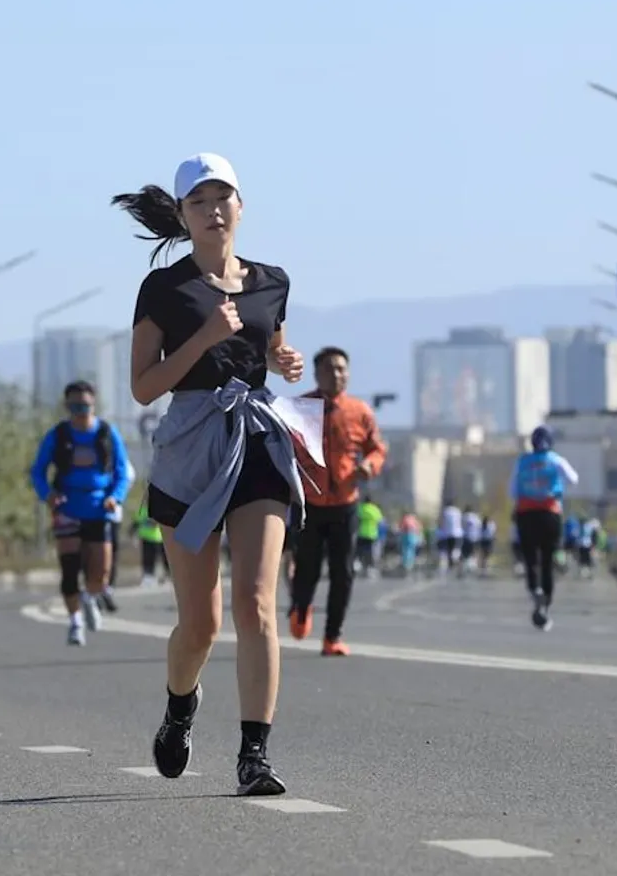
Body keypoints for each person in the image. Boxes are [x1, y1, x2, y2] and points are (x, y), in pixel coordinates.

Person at [114, 153, 309, 798]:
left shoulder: (272, 281)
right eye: (199, 201)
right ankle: (179, 705)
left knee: (256, 601)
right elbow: (143, 388)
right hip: (193, 442)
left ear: (241, 206)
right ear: (183, 215)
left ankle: (254, 754)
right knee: (201, 623)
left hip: (256, 439)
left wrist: (282, 360)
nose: (214, 209)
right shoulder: (164, 291)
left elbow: (269, 343)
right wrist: (200, 340)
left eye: (223, 197)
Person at [286, 346, 386, 657]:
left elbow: (377, 448)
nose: (337, 374)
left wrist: (370, 465)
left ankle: (333, 636)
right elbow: (282, 449)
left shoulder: (360, 412)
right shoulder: (301, 408)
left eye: (342, 369)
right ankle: (301, 608)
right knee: (307, 569)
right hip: (310, 504)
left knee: (343, 572)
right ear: (316, 374)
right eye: (329, 369)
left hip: (345, 502)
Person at [30, 379, 134, 646]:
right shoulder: (58, 435)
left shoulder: (107, 434)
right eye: (75, 406)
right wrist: (48, 495)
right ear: (67, 406)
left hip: (99, 509)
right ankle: (75, 621)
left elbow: (123, 471)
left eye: (85, 406)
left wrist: (115, 497)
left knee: (100, 572)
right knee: (69, 568)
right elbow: (38, 471)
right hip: (67, 508)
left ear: (93, 405)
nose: (80, 412)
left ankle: (91, 597)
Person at [510, 425, 580, 630]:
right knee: (548, 560)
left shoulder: (522, 462)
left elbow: (512, 490)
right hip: (550, 513)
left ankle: (535, 590)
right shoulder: (556, 460)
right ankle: (546, 603)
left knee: (530, 558)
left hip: (526, 514)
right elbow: (574, 479)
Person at [134, 496, 168, 584]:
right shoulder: (143, 509)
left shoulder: (158, 508)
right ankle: (148, 576)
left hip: (158, 538)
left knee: (164, 558)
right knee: (148, 558)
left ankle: (168, 575)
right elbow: (137, 521)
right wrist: (132, 530)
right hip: (145, 538)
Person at [355, 495, 384, 578]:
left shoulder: (360, 508)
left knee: (359, 551)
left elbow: (356, 519)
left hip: (361, 533)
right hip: (372, 534)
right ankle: (369, 567)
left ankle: (357, 565)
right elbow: (380, 521)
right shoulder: (375, 509)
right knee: (370, 552)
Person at [436, 501, 464, 576]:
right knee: (456, 550)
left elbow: (441, 522)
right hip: (457, 533)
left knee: (449, 551)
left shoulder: (445, 511)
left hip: (447, 534)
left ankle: (451, 566)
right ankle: (458, 565)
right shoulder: (458, 511)